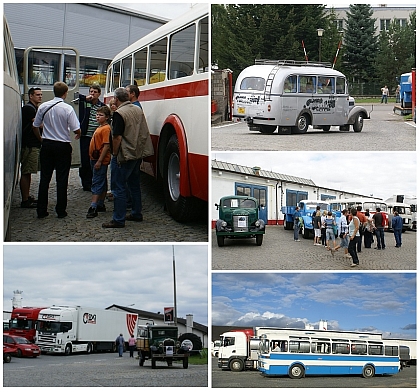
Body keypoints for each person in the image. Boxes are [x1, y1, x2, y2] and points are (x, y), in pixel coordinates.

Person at [102, 87, 153, 228]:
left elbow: (117, 136)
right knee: (134, 185)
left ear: (117, 99)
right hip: (137, 153)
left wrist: (114, 153)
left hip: (124, 154)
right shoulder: (137, 109)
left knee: (118, 187)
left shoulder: (119, 113)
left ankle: (118, 219)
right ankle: (137, 213)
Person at [33, 82, 81, 219]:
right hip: (62, 145)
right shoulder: (67, 108)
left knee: (45, 178)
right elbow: (75, 128)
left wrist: (42, 139)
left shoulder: (43, 106)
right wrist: (79, 133)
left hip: (47, 144)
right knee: (62, 178)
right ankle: (61, 210)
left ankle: (41, 210)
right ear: (65, 93)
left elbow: (35, 125)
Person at [78, 84, 106, 191]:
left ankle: (93, 181)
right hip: (85, 136)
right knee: (84, 160)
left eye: (95, 92)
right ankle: (85, 182)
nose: (92, 94)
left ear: (99, 94)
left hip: (96, 138)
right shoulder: (84, 103)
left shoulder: (102, 106)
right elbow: (74, 96)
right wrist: (85, 98)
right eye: (91, 91)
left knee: (94, 159)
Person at [86, 106, 112, 218]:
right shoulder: (101, 127)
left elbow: (106, 146)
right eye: (97, 114)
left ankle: (93, 206)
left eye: (100, 115)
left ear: (106, 117)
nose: (97, 117)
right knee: (101, 180)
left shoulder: (106, 129)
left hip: (99, 159)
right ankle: (100, 203)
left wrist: (100, 160)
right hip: (95, 158)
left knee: (97, 181)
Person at [20, 87, 43, 208]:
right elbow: (37, 125)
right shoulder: (29, 109)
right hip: (30, 145)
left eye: (41, 94)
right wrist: (41, 139)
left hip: (31, 144)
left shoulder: (33, 108)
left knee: (28, 171)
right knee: (26, 171)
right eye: (37, 95)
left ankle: (27, 196)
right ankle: (25, 200)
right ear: (30, 96)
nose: (40, 96)